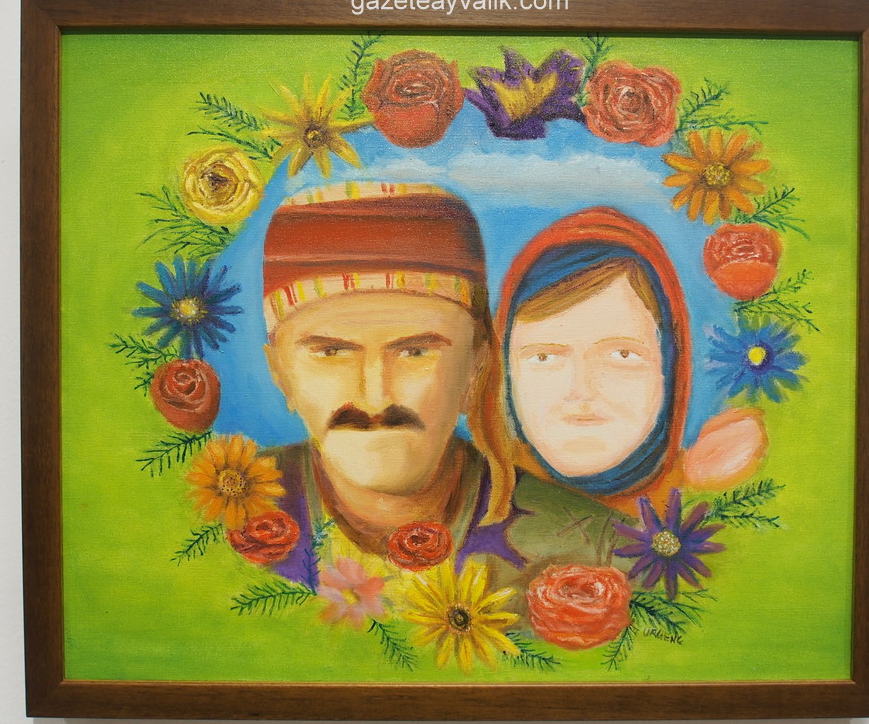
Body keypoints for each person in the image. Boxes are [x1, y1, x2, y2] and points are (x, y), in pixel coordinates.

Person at [255, 183, 623, 595]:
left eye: (414, 352)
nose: (375, 398)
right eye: (332, 352)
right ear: (280, 372)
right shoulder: (217, 520)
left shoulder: (598, 551)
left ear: (476, 367)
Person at [474, 207, 766, 518]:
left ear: (669, 367)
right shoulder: (474, 500)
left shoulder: (713, 497)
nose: (581, 392)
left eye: (622, 355)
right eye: (544, 357)